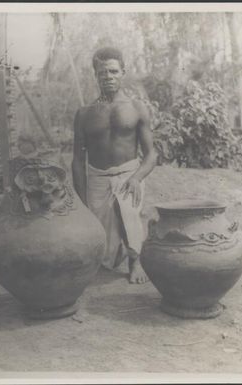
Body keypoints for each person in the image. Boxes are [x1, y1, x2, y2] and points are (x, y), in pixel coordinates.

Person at [72, 47, 157, 283]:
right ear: (95, 75)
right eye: (102, 72)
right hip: (97, 177)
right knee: (100, 235)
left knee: (129, 212)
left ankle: (135, 262)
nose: (108, 76)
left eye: (113, 71)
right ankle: (109, 256)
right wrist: (81, 199)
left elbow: (151, 155)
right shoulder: (84, 113)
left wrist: (136, 178)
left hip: (129, 173)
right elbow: (78, 159)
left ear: (123, 72)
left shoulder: (137, 108)